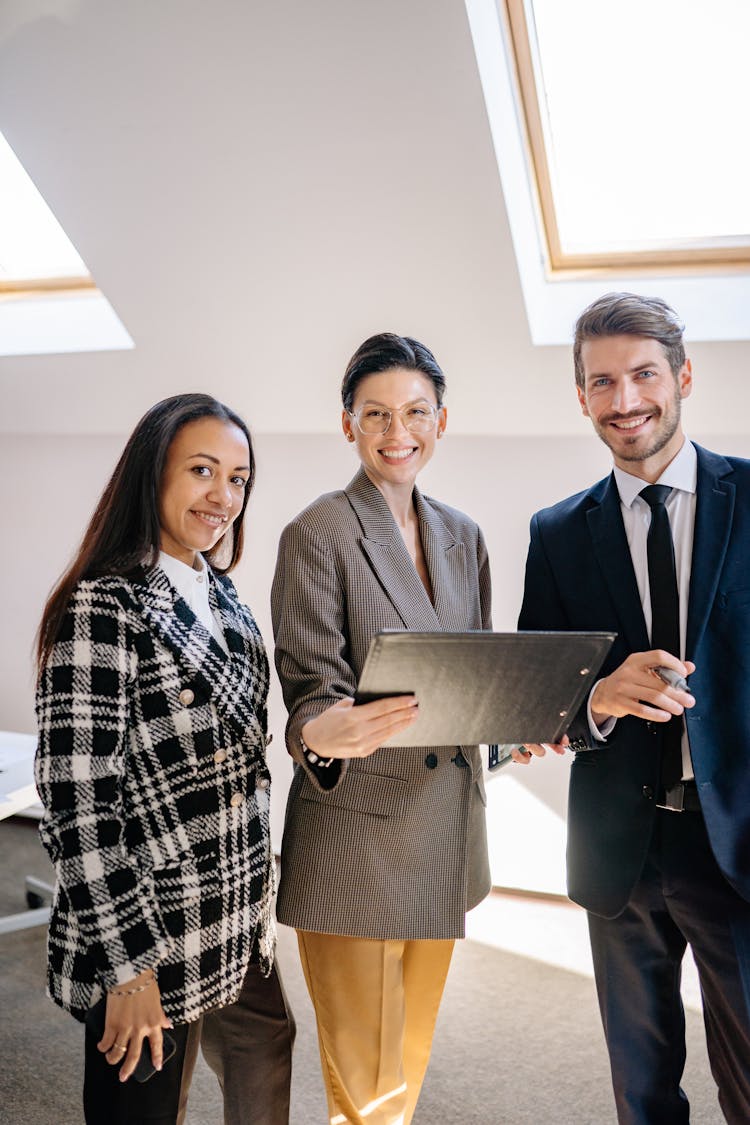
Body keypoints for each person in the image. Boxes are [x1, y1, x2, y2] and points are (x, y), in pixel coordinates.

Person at [516, 292, 750, 1124]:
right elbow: (533, 705)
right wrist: (597, 699)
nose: (626, 401)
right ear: (581, 395)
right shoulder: (555, 532)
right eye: (602, 382)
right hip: (619, 848)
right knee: (641, 1093)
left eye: (644, 374)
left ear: (682, 375)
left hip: (736, 844)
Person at [34, 393, 295, 1125]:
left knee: (268, 1053)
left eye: (239, 478)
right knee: (143, 1107)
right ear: (152, 475)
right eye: (203, 470)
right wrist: (129, 971)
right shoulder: (104, 603)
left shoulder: (226, 596)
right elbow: (78, 804)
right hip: (149, 929)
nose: (224, 497)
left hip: (238, 913)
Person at [270, 333, 491, 1125]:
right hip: (358, 838)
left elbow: (474, 681)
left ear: (441, 420)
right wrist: (323, 729)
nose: (398, 431)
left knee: (408, 1059)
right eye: (376, 414)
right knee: (363, 1081)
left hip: (442, 830)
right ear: (348, 425)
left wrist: (510, 725)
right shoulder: (319, 533)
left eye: (415, 412)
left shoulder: (463, 534)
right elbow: (308, 691)